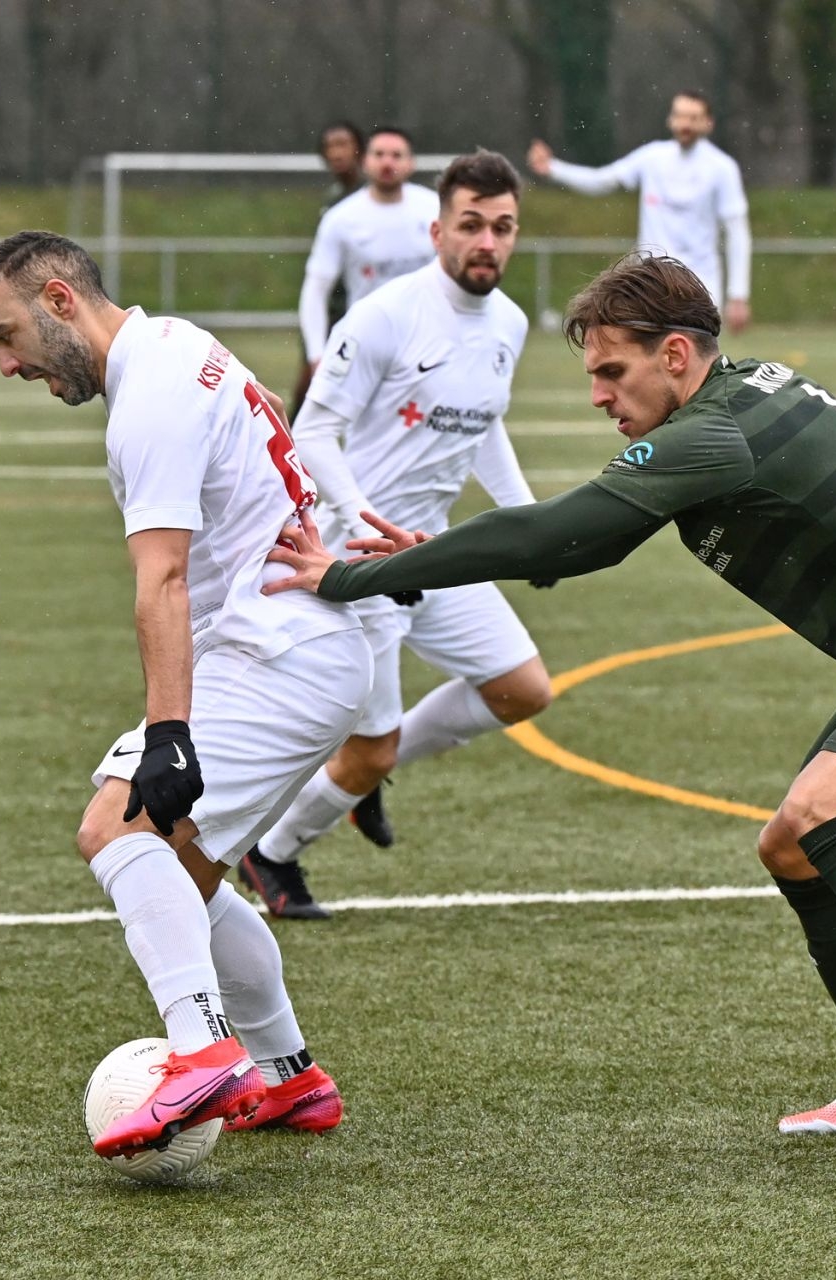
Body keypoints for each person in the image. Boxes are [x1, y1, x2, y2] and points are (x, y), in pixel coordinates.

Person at [264, 252, 836, 1155]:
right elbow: (564, 547)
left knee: (825, 811)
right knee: (791, 844)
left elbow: (563, 538)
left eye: (613, 371)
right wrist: (431, 555)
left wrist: (353, 575)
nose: (598, 396)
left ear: (679, 356)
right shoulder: (730, 409)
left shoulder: (715, 433)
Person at [0, 230, 372, 1149]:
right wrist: (345, 524)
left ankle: (202, 1055)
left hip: (276, 653)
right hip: (302, 648)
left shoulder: (146, 394)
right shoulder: (181, 343)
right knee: (186, 871)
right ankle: (289, 1077)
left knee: (116, 826)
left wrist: (168, 733)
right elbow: (272, 436)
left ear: (60, 300)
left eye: (5, 335)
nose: (5, 365)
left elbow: (165, 580)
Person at [239, 149, 554, 920]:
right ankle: (272, 850)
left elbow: (481, 427)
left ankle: (365, 778)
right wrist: (362, 526)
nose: (488, 242)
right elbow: (313, 433)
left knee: (522, 689)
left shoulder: (507, 323)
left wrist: (530, 523)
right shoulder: (386, 315)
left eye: (503, 228)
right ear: (437, 228)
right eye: (471, 225)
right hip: (364, 557)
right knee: (365, 748)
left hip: (434, 550)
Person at [528, 91, 752, 333]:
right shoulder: (653, 158)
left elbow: (737, 232)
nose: (685, 124)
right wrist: (553, 169)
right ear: (670, 119)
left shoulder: (722, 168)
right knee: (646, 361)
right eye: (679, 116)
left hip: (700, 285)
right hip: (651, 283)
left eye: (693, 117)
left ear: (708, 122)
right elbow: (603, 180)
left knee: (694, 362)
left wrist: (738, 295)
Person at [298, 126, 441, 379]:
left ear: (411, 163)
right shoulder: (340, 218)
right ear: (365, 161)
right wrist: (316, 355)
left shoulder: (435, 209)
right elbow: (316, 289)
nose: (387, 162)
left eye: (397, 155)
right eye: (379, 154)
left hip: (428, 345)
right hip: (364, 347)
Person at [290, 120, 367, 415]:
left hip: (357, 309)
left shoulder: (370, 194)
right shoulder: (334, 197)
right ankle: (293, 454)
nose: (336, 153)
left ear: (359, 148)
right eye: (329, 147)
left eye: (342, 144)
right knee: (309, 386)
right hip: (329, 308)